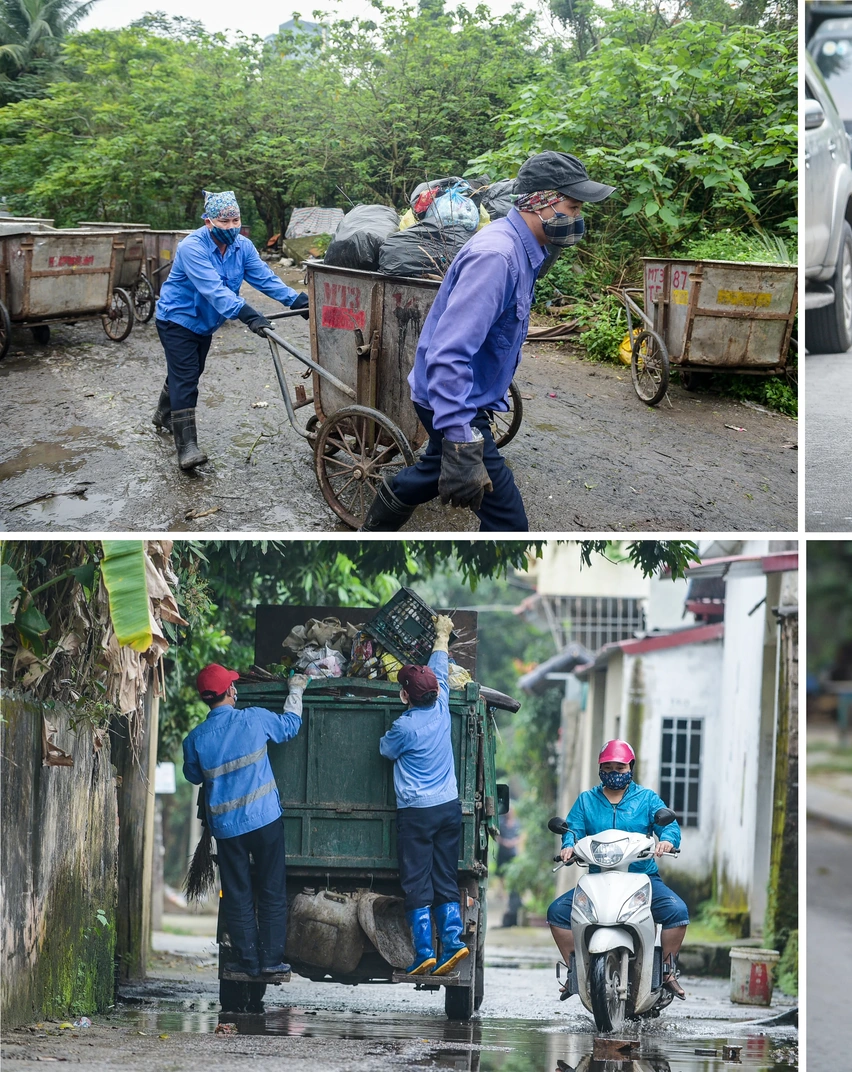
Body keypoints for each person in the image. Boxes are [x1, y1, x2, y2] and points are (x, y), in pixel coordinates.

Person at [360, 151, 616, 532]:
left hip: (462, 393)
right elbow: (449, 353)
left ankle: (373, 531)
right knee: (507, 517)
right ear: (539, 202)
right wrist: (462, 438)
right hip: (452, 397)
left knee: (432, 471)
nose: (578, 219)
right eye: (573, 207)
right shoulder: (497, 257)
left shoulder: (527, 248)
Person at [153, 191, 308, 471]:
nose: (231, 227)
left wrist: (297, 300)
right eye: (224, 222)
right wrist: (250, 315)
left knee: (188, 371)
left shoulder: (243, 246)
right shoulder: (192, 248)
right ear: (209, 222)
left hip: (206, 322)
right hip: (178, 319)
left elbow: (265, 278)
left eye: (235, 220)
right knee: (187, 376)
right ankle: (187, 447)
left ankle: (164, 414)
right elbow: (213, 290)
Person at [182, 663, 307, 981]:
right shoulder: (253, 718)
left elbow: (193, 775)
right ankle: (271, 961)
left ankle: (247, 961)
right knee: (272, 891)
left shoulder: (195, 740)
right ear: (231, 691)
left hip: (227, 830)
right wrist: (295, 691)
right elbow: (290, 726)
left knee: (237, 893)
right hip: (265, 821)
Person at [547, 740, 690, 999]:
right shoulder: (587, 800)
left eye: (620, 768)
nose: (614, 773)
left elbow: (668, 824)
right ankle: (575, 972)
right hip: (598, 878)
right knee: (557, 913)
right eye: (608, 767)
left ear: (630, 768)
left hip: (642, 877)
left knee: (677, 912)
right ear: (600, 768)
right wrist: (568, 845)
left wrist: (668, 840)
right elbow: (573, 829)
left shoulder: (646, 799)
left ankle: (667, 971)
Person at [379, 613, 471, 977]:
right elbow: (439, 663)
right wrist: (441, 634)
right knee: (444, 877)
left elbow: (385, 751)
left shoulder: (405, 727)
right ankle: (453, 941)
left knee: (416, 882)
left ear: (404, 696)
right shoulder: (443, 706)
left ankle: (424, 952)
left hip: (416, 815)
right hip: (448, 809)